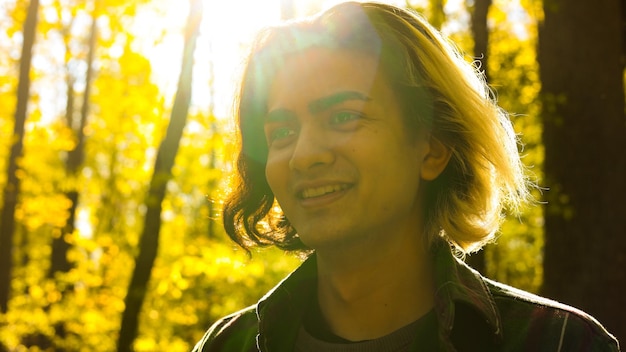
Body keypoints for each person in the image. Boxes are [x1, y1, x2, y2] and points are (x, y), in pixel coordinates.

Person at [193, 2, 620, 351]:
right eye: (282, 132)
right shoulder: (227, 346)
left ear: (432, 148)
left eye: (344, 117)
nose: (304, 154)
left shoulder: (558, 343)